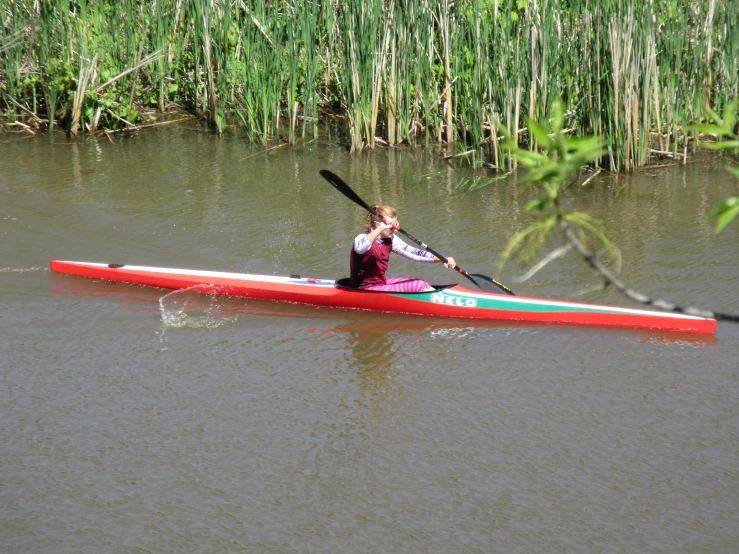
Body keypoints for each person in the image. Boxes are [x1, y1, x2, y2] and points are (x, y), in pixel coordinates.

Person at [350, 205, 455, 292]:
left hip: (381, 283)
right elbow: (359, 249)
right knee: (418, 285)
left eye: (396, 225)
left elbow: (414, 253)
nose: (395, 230)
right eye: (392, 227)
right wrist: (380, 229)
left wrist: (442, 259)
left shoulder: (391, 239)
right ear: (378, 225)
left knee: (420, 282)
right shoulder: (362, 238)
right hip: (364, 288)